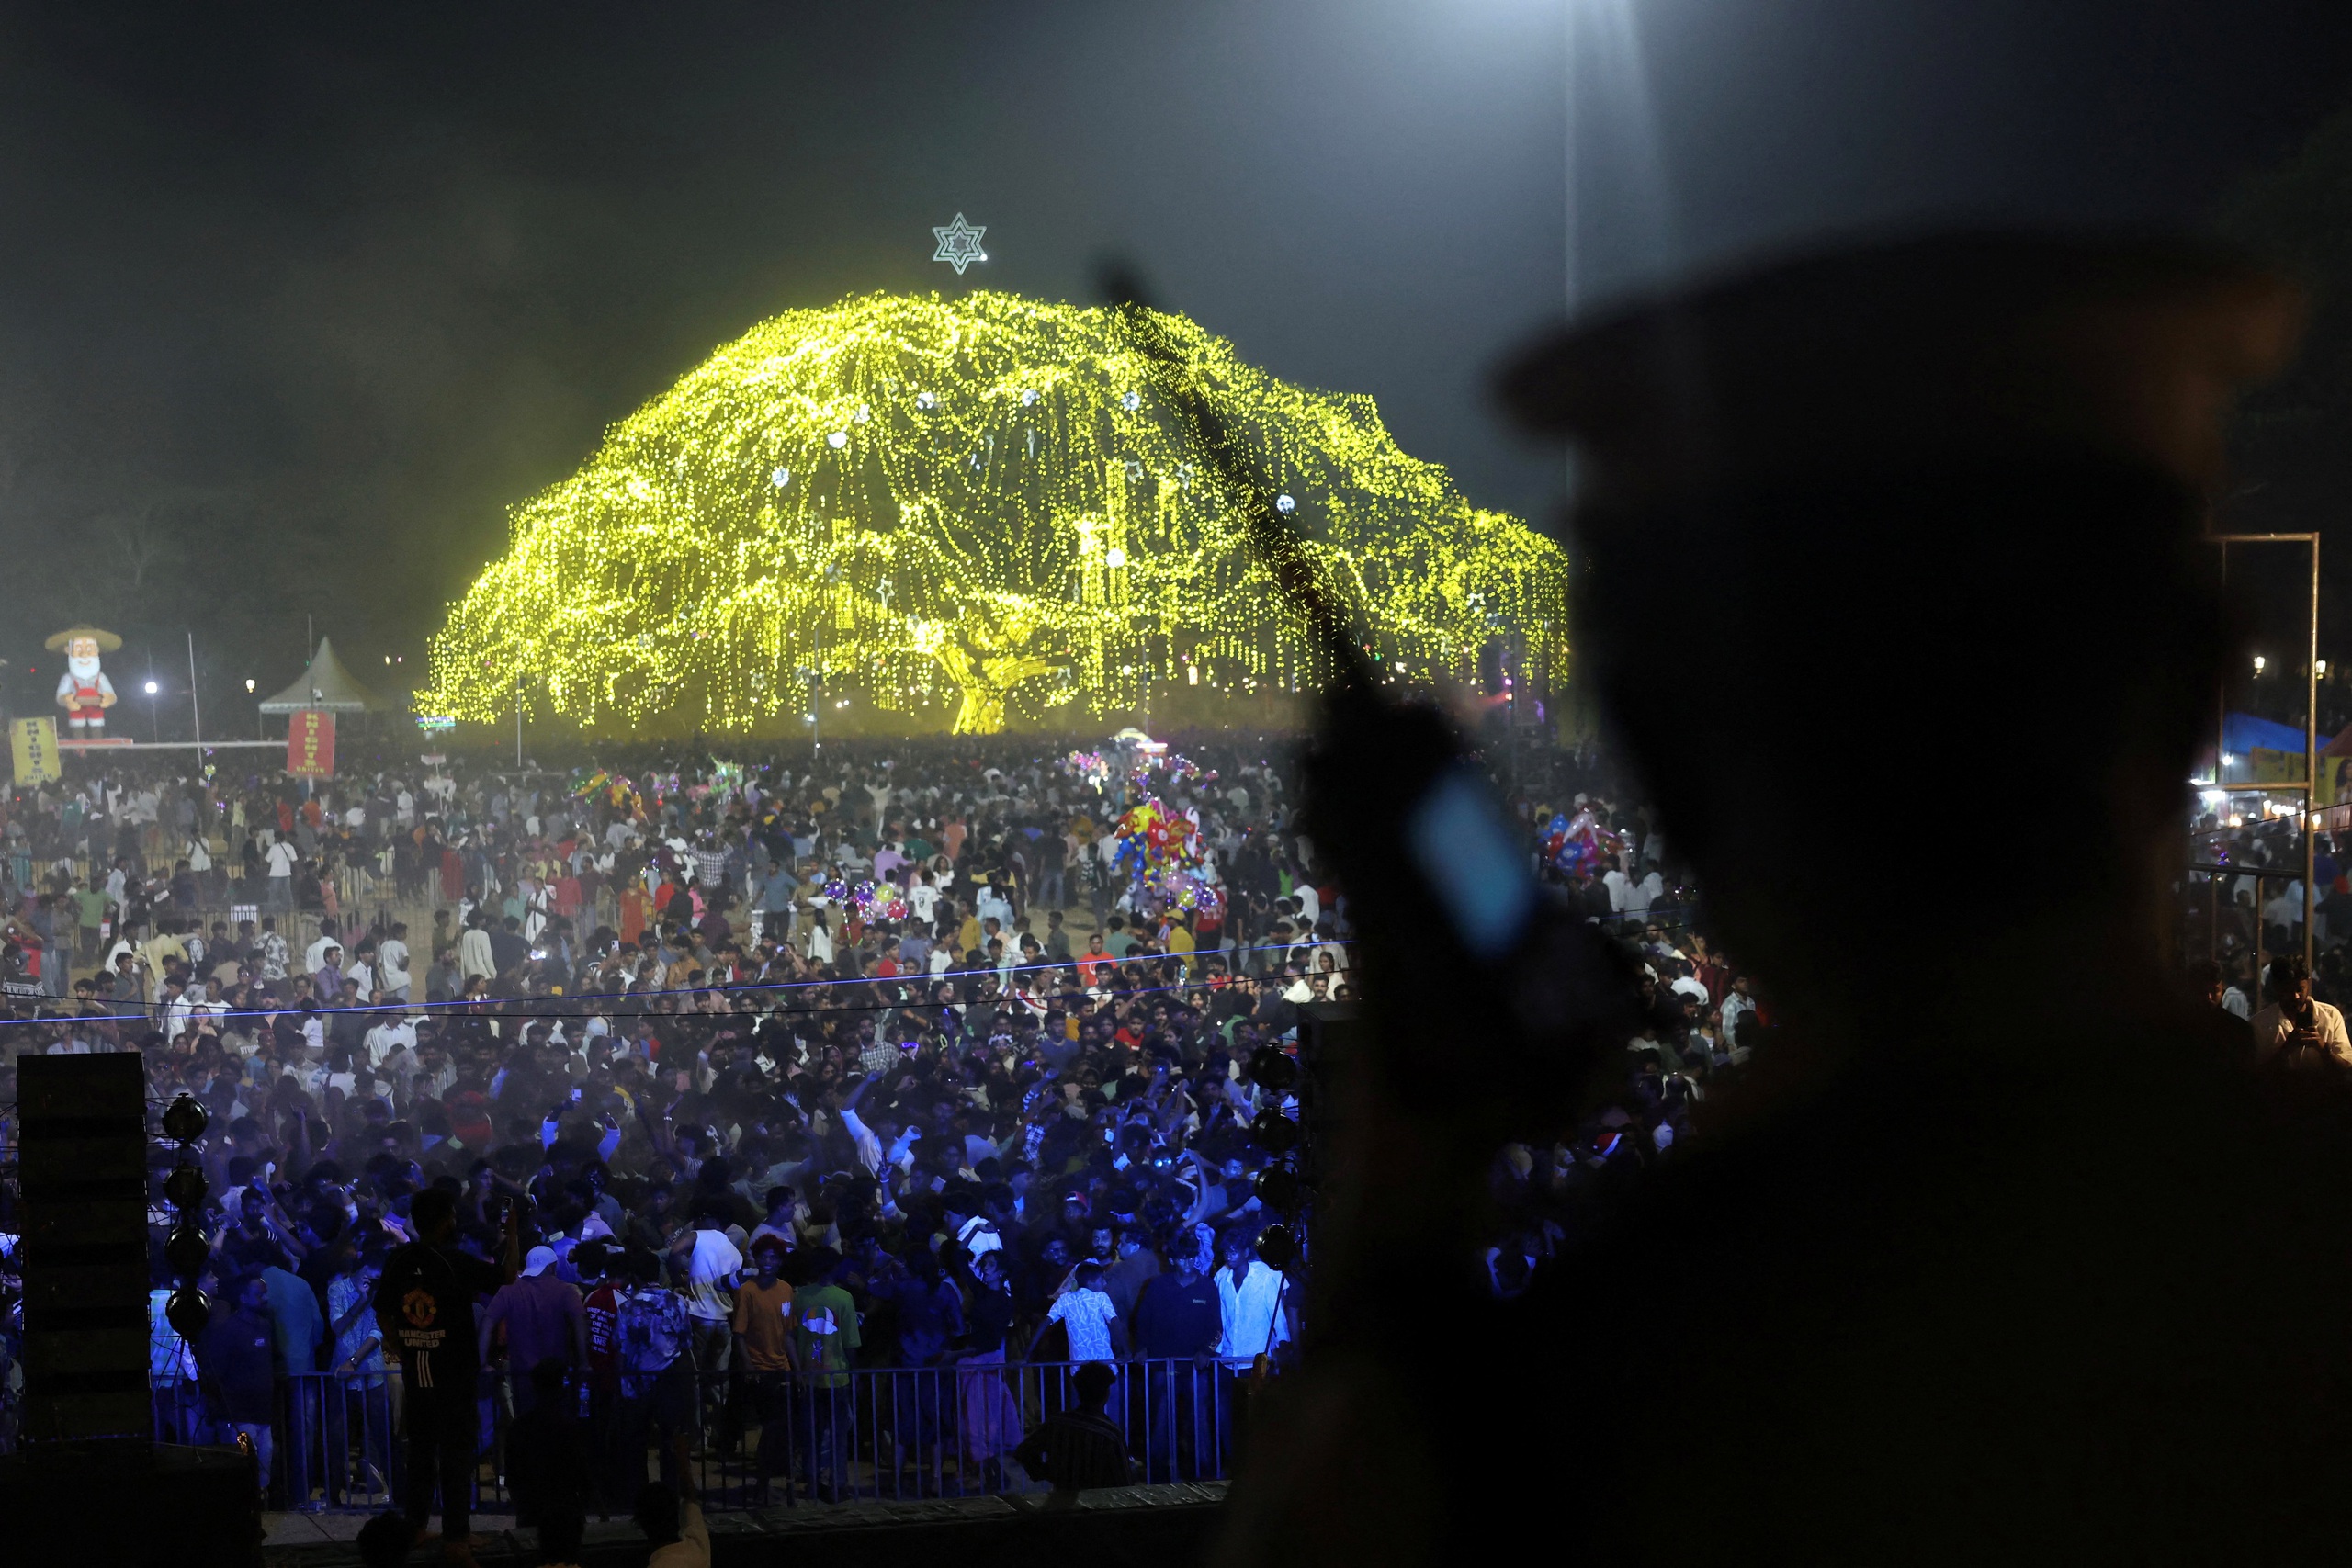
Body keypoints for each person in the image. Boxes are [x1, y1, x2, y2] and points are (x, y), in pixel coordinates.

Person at [373, 1186, 520, 1562]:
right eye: (452, 1214)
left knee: (421, 1454)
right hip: (453, 1376)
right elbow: (508, 1276)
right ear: (444, 1222)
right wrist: (513, 1234)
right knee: (456, 1456)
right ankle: (457, 1537)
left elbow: (382, 1310)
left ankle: (416, 1527)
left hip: (417, 1374)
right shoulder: (455, 1262)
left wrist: (402, 1345)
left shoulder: (398, 1259)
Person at [480, 1245, 589, 1416]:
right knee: (557, 1419)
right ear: (551, 1266)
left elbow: (487, 1322)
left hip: (522, 1374)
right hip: (556, 1373)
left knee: (526, 1421)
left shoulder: (508, 1291)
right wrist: (583, 1362)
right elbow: (580, 1321)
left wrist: (482, 1363)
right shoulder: (566, 1291)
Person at [198, 1272, 278, 1506]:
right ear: (243, 1297)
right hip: (239, 1418)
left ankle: (259, 1506)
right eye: (259, 1294)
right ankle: (243, 1508)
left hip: (263, 1415)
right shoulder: (228, 1330)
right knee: (243, 1461)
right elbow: (216, 1372)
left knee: (263, 1464)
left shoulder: (264, 1326)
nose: (265, 1298)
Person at [729, 1236, 795, 1493]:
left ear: (780, 1261)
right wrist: (749, 1367)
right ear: (756, 1260)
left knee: (779, 1424)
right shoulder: (747, 1291)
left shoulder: (786, 1290)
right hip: (759, 1368)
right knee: (772, 1422)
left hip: (781, 1366)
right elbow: (739, 1334)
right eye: (764, 1257)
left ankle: (769, 1476)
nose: (768, 1262)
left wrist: (796, 1369)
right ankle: (765, 1477)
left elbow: (788, 1332)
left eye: (773, 1257)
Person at [1012, 1360, 1133, 1495]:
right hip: (1098, 1502)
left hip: (1061, 1500)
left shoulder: (1057, 1423)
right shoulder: (1110, 1434)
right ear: (1106, 1394)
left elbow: (1023, 1451)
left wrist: (1045, 1473)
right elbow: (1124, 1482)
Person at [2247, 952, 2352, 1070]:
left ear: (2308, 983)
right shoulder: (2260, 1024)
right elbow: (2255, 1074)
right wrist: (2286, 1049)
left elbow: (2347, 1066)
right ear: (2276, 987)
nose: (2295, 996)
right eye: (2287, 991)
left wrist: (2323, 1049)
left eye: (2300, 989)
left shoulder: (2331, 1016)